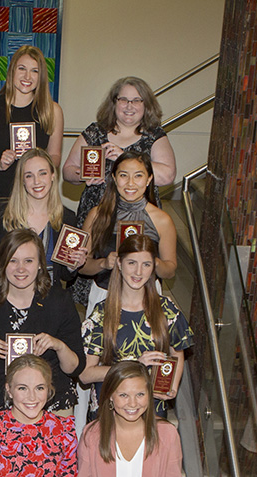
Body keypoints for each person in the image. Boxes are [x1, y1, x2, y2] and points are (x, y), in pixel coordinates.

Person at [62, 76, 176, 306]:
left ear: (146, 105)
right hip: (100, 213)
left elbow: (168, 175)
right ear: (113, 102)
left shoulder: (154, 134)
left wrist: (125, 157)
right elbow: (67, 171)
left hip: (139, 213)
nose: (129, 105)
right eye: (123, 99)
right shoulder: (95, 132)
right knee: (95, 269)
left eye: (137, 100)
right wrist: (83, 174)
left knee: (135, 269)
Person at [0, 229, 85, 414]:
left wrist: (59, 346)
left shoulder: (60, 300)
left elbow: (76, 367)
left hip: (51, 405)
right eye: (13, 261)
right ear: (1, 263)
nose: (21, 269)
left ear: (41, 264)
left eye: (28, 261)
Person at [80, 234, 193, 420]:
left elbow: (177, 353)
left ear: (153, 267)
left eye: (146, 264)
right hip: (110, 410)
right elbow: (85, 374)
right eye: (132, 263)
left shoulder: (167, 310)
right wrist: (133, 365)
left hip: (150, 407)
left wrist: (171, 386)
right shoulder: (102, 313)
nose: (138, 272)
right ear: (119, 264)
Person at [0, 45, 64, 220]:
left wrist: (38, 163)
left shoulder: (52, 111)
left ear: (41, 77)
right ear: (12, 71)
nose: (27, 77)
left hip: (36, 195)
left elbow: (55, 156)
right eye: (22, 69)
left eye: (34, 71)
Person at [79, 150, 178, 313]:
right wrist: (103, 263)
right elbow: (82, 266)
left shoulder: (162, 220)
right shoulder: (97, 215)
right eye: (124, 175)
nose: (130, 183)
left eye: (138, 176)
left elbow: (170, 271)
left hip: (146, 297)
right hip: (104, 295)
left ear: (149, 179)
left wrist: (153, 262)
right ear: (114, 178)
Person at [0, 148, 85, 285]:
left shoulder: (67, 218)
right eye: (29, 176)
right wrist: (3, 272)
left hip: (49, 296)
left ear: (53, 175)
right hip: (7, 295)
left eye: (42, 173)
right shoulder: (3, 213)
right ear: (22, 180)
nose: (37, 181)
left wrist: (72, 266)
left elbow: (65, 276)